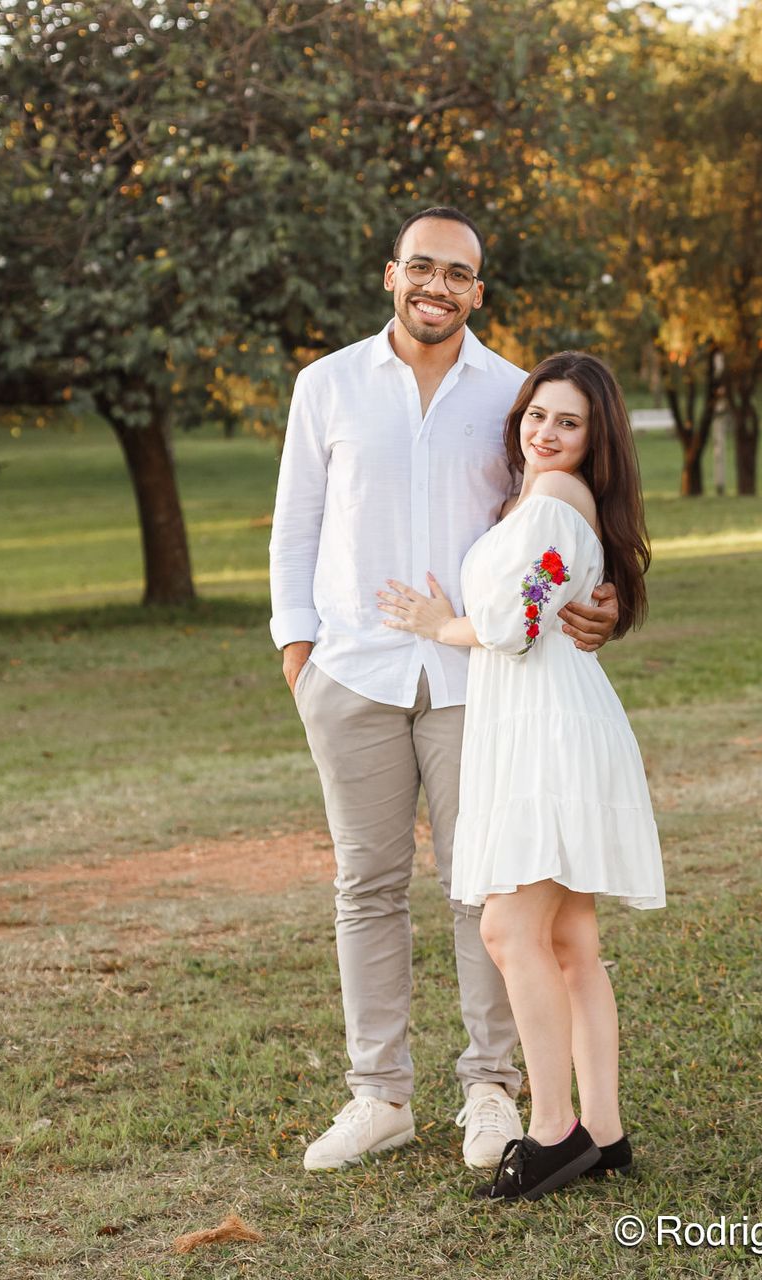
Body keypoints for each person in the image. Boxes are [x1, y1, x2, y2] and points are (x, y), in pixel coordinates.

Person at [268, 208, 622, 1173]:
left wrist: (607, 595)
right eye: (420, 267)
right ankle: (378, 1097)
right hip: (352, 674)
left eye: (457, 273)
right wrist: (298, 650)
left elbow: (568, 521)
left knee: (485, 888)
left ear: (478, 290)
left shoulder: (515, 396)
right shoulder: (326, 385)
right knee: (367, 886)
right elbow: (295, 523)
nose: (437, 284)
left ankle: (490, 1091)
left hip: (481, 683)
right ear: (392, 274)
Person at [377, 351, 664, 1201]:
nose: (546, 432)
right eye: (538, 414)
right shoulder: (545, 498)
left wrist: (440, 622)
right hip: (539, 718)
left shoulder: (553, 503)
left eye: (568, 422)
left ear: (595, 436)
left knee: (507, 930)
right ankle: (604, 1134)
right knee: (570, 942)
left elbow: (516, 622)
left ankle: (552, 1130)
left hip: (550, 730)